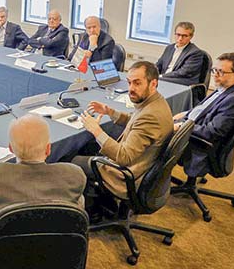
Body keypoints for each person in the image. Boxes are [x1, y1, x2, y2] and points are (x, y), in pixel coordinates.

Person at [0, 114, 87, 250]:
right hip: (58, 255)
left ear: (11, 148)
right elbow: (77, 212)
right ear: (48, 149)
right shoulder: (74, 176)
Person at [72, 61, 173, 200]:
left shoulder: (150, 116)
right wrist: (110, 112)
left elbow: (123, 157)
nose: (131, 88)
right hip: (143, 164)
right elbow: (135, 120)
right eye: (129, 82)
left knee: (71, 160)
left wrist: (96, 130)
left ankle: (91, 207)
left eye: (137, 83)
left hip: (126, 175)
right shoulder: (156, 102)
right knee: (88, 146)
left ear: (153, 83)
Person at [173, 53, 234, 179]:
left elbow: (211, 132)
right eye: (214, 70)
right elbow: (204, 108)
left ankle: (152, 185)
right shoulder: (227, 87)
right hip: (195, 123)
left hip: (199, 142)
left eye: (221, 72)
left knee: (154, 135)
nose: (215, 75)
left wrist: (182, 125)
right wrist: (186, 114)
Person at [156, 22, 204, 86]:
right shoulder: (169, 48)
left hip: (180, 81)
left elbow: (182, 73)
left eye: (184, 36)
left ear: (191, 36)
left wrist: (161, 76)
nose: (180, 39)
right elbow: (159, 65)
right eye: (178, 35)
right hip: (164, 79)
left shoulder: (195, 53)